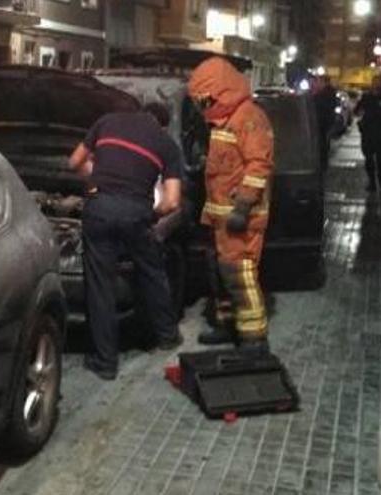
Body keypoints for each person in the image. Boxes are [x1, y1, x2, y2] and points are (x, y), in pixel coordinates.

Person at [68, 103, 185, 380]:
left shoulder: (106, 119)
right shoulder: (167, 145)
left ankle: (105, 363)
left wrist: (95, 182)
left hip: (99, 209)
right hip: (136, 212)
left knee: (100, 286)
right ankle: (167, 335)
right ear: (163, 124)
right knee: (153, 272)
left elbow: (74, 162)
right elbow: (172, 201)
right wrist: (152, 214)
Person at [188, 57, 274, 349]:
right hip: (219, 218)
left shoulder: (249, 118)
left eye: (204, 101)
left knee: (240, 276)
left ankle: (253, 338)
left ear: (220, 94)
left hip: (241, 218)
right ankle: (227, 324)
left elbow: (258, 166)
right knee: (220, 276)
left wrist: (243, 207)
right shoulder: (223, 120)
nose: (203, 109)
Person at [354, 75, 381, 191]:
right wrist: (360, 115)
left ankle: (380, 176)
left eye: (378, 82)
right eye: (375, 82)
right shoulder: (367, 97)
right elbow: (357, 110)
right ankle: (372, 181)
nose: (376, 85)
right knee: (369, 157)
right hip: (368, 131)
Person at [312, 75, 338, 169]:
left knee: (323, 143)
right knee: (323, 142)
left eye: (319, 81)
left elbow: (322, 105)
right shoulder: (326, 92)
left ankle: (323, 163)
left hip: (324, 121)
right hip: (325, 121)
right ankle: (323, 162)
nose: (317, 83)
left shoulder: (326, 93)